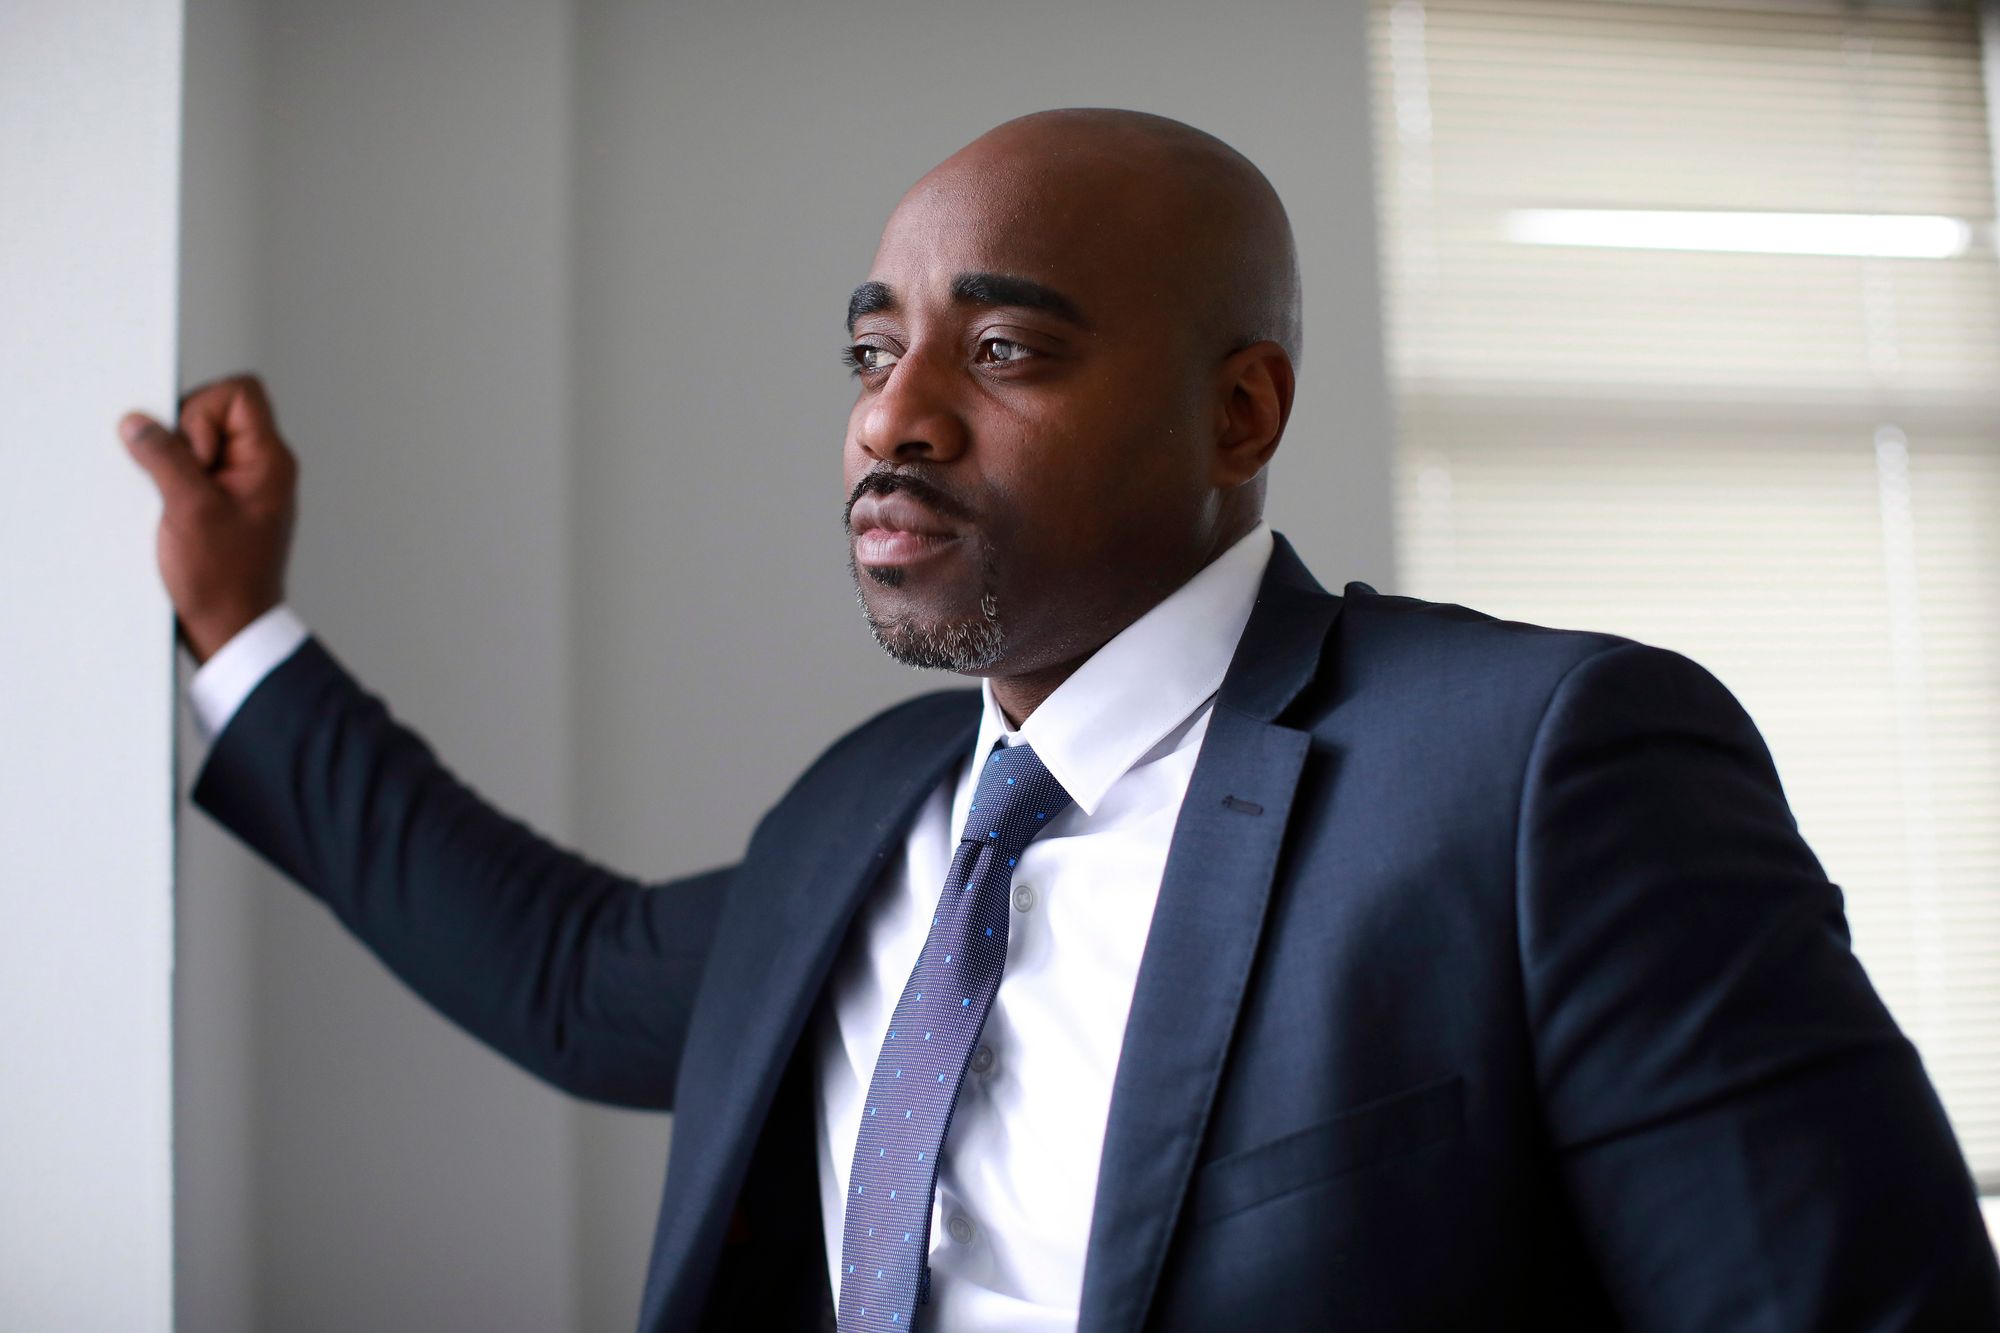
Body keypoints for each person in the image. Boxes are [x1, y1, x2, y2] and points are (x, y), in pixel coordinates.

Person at [122, 109, 1998, 1332]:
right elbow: (563, 967)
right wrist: (236, 620)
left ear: (1240, 414)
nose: (894, 416)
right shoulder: (866, 821)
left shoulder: (1538, 769)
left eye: (1002, 350)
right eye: (873, 351)